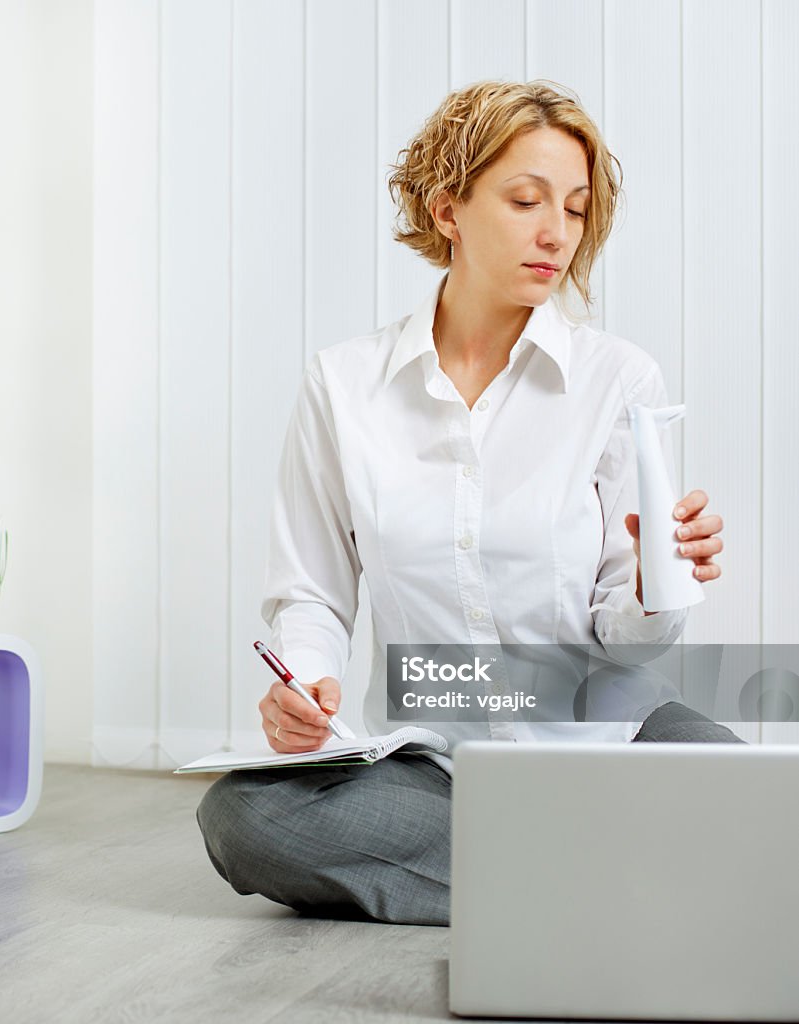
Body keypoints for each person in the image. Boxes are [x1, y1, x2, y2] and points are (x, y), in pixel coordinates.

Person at [196, 79, 738, 928]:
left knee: (750, 803)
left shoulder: (617, 378)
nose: (556, 232)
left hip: (610, 743)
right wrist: (307, 689)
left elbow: (629, 641)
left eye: (574, 206)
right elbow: (310, 593)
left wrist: (652, 585)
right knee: (245, 818)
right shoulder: (343, 385)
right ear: (447, 208)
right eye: (525, 201)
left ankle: (533, 885)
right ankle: (618, 889)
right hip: (435, 772)